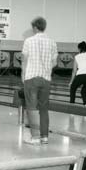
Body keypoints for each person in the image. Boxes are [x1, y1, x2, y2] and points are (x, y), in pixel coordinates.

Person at [21, 16, 57, 145]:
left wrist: (23, 74)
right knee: (43, 108)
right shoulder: (52, 42)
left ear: (35, 27)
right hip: (46, 79)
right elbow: (54, 63)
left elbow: (24, 60)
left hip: (31, 77)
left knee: (31, 107)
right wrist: (45, 68)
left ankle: (35, 137)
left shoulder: (29, 41)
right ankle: (44, 137)